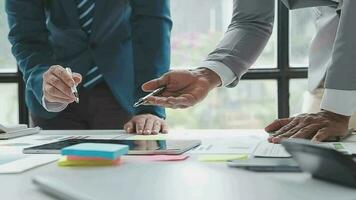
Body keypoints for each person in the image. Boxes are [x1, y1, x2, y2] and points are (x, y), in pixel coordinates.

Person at [141, 0, 356, 142]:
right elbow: (251, 21)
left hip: (338, 94)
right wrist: (207, 74)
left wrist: (334, 111)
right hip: (330, 75)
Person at [6, 0, 171, 134]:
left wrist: (150, 108)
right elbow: (26, 36)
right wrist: (43, 79)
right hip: (55, 96)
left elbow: (153, 29)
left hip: (124, 92)